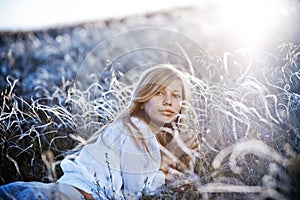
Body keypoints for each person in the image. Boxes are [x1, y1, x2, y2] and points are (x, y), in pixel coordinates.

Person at [0, 64, 199, 200]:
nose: (168, 101)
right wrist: (168, 157)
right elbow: (136, 191)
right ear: (143, 98)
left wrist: (165, 174)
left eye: (175, 95)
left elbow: (137, 178)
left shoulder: (146, 133)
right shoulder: (134, 127)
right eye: (159, 92)